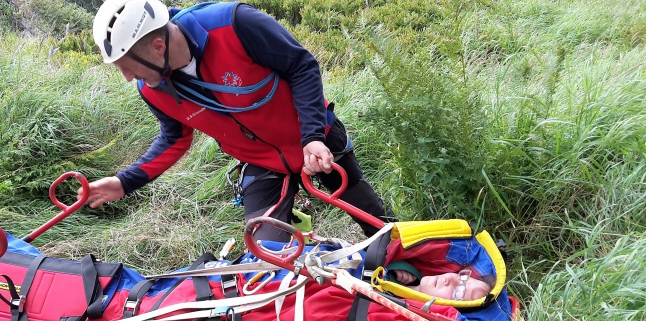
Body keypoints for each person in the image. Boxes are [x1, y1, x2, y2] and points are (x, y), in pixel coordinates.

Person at [82, 0, 395, 241]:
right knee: (267, 255)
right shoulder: (154, 90)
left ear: (158, 46)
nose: (127, 78)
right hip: (260, 163)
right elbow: (174, 138)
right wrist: (125, 181)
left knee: (377, 224)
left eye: (127, 66)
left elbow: (302, 67)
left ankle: (419, 277)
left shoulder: (234, 25)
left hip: (316, 140)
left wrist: (312, 136)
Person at [389, 265, 493, 300]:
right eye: (463, 277)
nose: (449, 278)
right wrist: (392, 269)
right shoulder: (407, 270)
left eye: (457, 292)